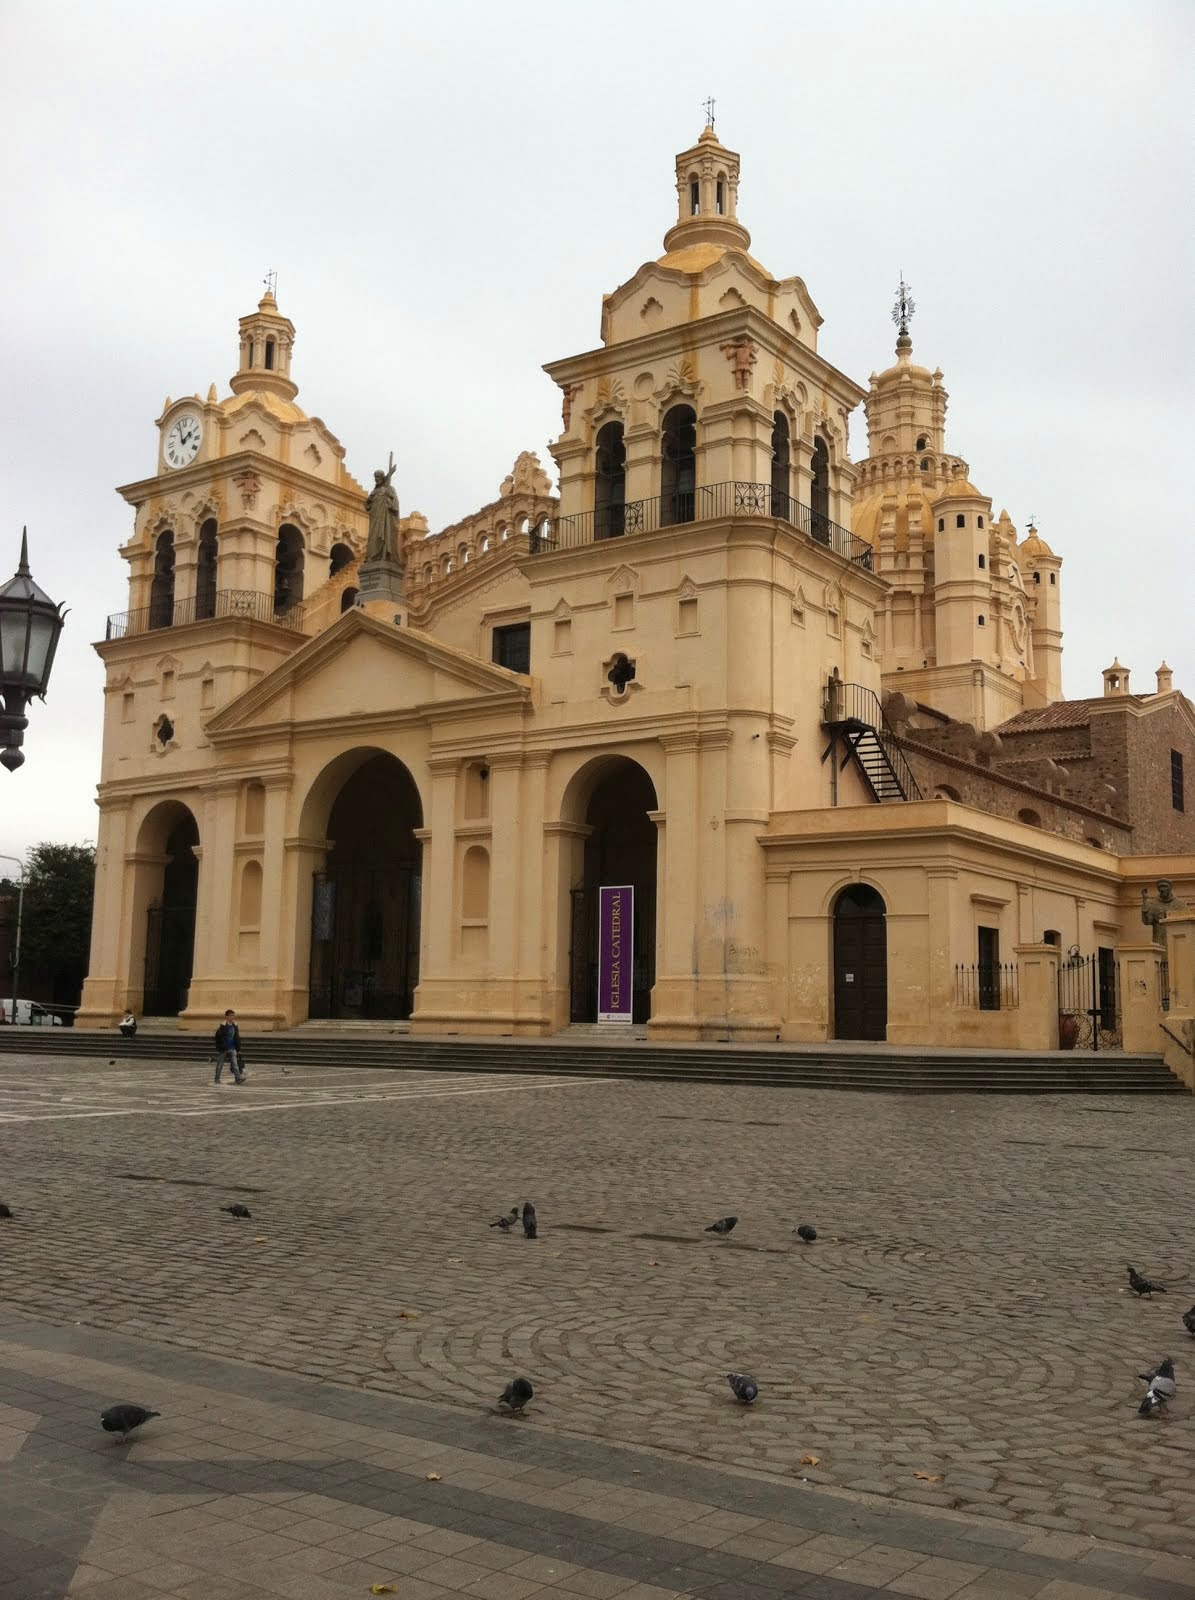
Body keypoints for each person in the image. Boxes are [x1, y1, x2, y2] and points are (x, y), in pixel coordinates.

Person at [213, 1009, 246, 1085]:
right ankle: (217, 1079)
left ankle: (238, 1078)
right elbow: (218, 1037)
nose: (232, 1017)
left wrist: (238, 1048)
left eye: (233, 1015)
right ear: (227, 1016)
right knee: (220, 1065)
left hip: (233, 1048)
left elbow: (237, 1037)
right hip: (224, 1049)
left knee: (235, 1064)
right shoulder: (223, 1026)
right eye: (231, 1015)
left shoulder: (235, 1025)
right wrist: (223, 1046)